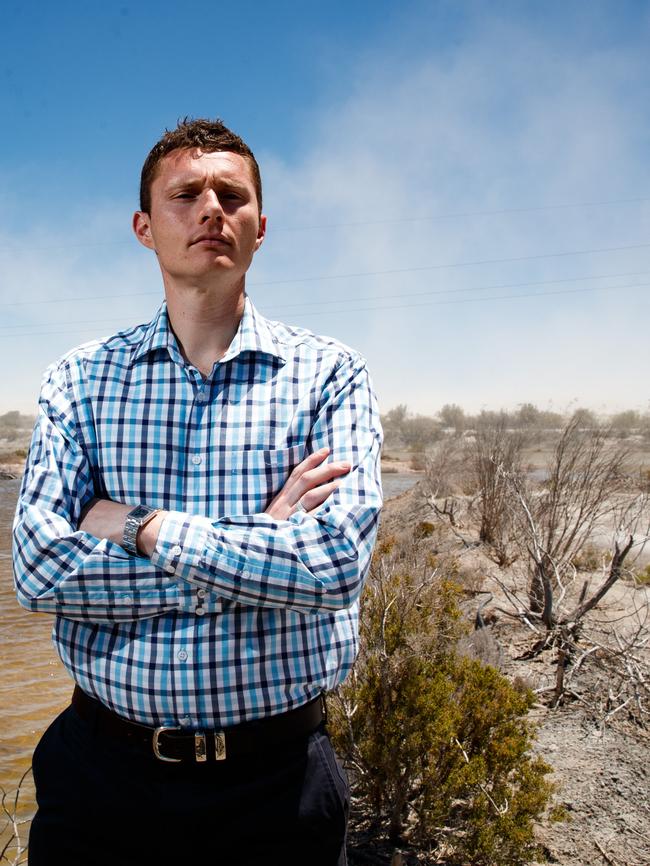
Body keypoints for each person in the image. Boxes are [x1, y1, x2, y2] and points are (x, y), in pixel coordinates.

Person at [12, 117, 383, 866]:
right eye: (187, 193)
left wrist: (144, 527)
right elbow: (39, 570)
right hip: (100, 780)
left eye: (231, 194)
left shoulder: (328, 375)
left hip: (279, 787)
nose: (212, 208)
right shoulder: (81, 379)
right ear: (145, 226)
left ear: (260, 226)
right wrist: (256, 544)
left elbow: (334, 565)